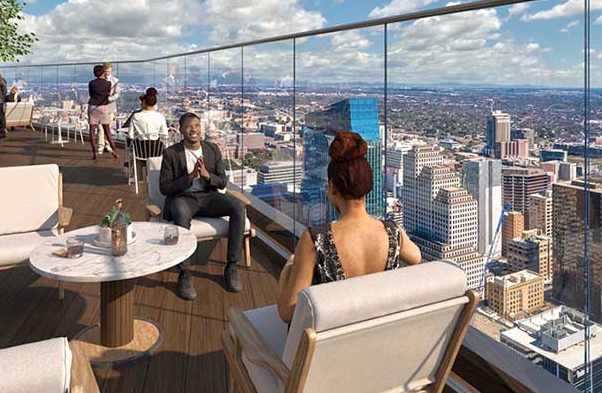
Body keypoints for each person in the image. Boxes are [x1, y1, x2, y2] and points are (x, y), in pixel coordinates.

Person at [276, 131, 421, 322]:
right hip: (378, 338)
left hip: (328, 344)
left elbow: (288, 313)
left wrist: (288, 269)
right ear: (368, 185)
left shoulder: (316, 240)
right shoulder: (393, 233)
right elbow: (416, 257)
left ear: (332, 187)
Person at [158, 112, 245, 300]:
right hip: (183, 198)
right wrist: (188, 178)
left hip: (208, 197)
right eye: (188, 126)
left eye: (196, 125)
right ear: (181, 130)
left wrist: (206, 176)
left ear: (201, 127)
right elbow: (164, 188)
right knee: (181, 213)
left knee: (237, 206)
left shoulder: (212, 149)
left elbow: (222, 182)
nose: (193, 129)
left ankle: (231, 266)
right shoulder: (171, 153)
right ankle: (184, 273)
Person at [86, 65, 117, 161]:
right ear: (103, 72)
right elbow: (107, 95)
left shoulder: (91, 83)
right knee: (107, 130)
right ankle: (115, 151)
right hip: (103, 107)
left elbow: (91, 94)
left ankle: (95, 152)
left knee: (92, 131)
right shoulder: (108, 84)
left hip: (92, 107)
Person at [97, 60, 120, 154]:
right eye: (105, 71)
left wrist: (109, 98)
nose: (107, 73)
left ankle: (107, 144)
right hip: (100, 107)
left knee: (108, 127)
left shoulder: (115, 81)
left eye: (108, 71)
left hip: (110, 107)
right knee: (100, 127)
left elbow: (117, 94)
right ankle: (100, 145)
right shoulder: (99, 80)